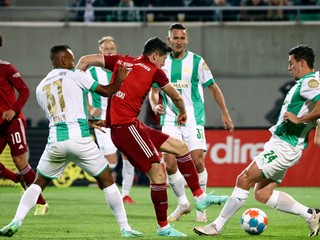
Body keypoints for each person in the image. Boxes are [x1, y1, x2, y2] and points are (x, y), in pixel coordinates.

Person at [76, 37, 228, 237]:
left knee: (181, 147)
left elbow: (85, 60)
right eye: (163, 59)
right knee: (158, 175)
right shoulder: (155, 71)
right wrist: (182, 111)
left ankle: (199, 197)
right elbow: (176, 97)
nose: (164, 63)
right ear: (155, 55)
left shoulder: (122, 60)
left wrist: (74, 81)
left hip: (132, 126)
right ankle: (163, 227)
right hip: (126, 128)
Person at [0, 45, 143, 238]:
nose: (74, 63)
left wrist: (90, 121)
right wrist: (120, 78)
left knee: (37, 183)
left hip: (55, 142)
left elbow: (61, 115)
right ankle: (125, 228)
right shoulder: (75, 74)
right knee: (107, 181)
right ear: (62, 61)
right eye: (71, 59)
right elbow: (107, 91)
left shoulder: (41, 87)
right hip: (80, 139)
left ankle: (15, 220)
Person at [193, 44, 320, 237]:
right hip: (282, 144)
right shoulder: (307, 83)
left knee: (243, 178)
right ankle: (310, 214)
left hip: (285, 146)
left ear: (301, 63)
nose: (288, 68)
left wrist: (300, 120)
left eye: (291, 63)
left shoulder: (309, 83)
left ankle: (216, 226)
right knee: (262, 194)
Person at [149, 23, 234, 223]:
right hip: (169, 118)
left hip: (193, 118)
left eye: (182, 38)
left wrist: (225, 113)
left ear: (187, 40)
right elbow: (154, 91)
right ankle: (182, 203)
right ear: (168, 40)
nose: (178, 42)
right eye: (174, 38)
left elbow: (213, 87)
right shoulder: (161, 62)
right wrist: (154, 106)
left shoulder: (197, 61)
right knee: (169, 164)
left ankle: (201, 205)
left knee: (197, 160)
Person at [0, 33, 48, 215]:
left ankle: (41, 203)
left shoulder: (6, 68)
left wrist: (14, 110)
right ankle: (16, 179)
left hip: (13, 121)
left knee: (19, 160)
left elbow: (24, 90)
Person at [86, 36, 136, 204]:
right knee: (112, 160)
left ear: (116, 50)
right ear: (100, 52)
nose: (109, 52)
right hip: (101, 121)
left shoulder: (124, 68)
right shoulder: (91, 71)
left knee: (128, 155)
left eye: (112, 49)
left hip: (122, 118)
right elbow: (80, 91)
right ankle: (102, 172)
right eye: (106, 49)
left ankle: (126, 194)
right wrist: (90, 108)